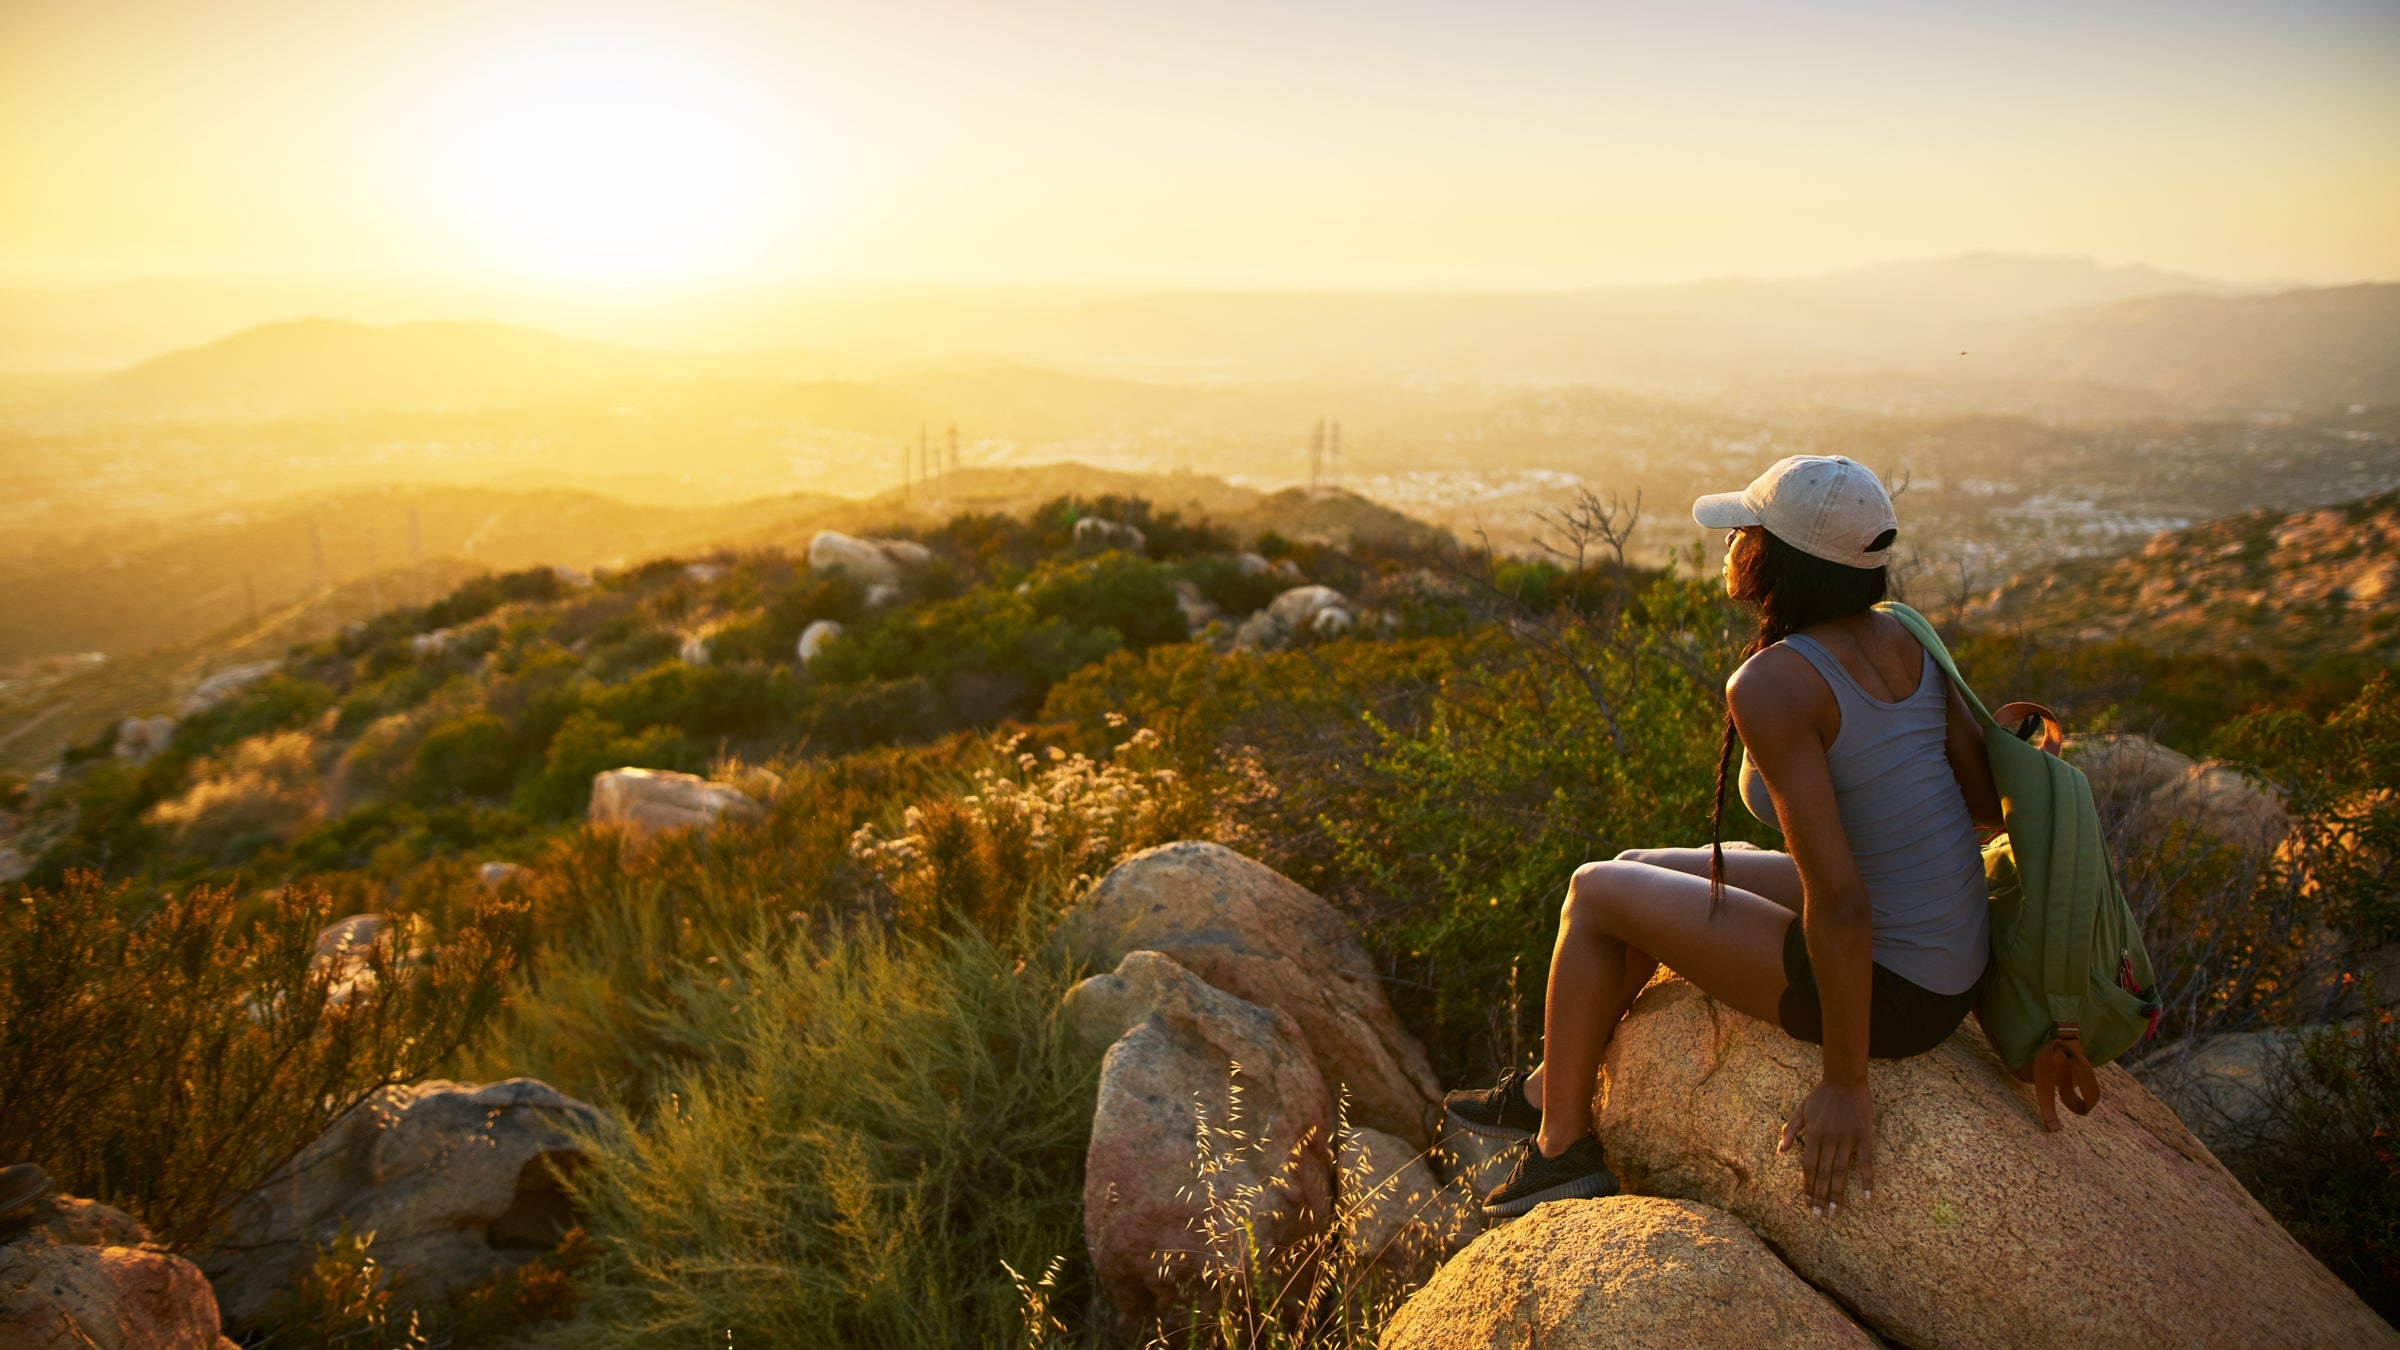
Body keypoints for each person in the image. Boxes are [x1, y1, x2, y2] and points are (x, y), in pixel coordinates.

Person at [1444, 455, 2001, 1221]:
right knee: (1635, 869)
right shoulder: (1906, 638)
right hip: (1948, 954)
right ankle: (1549, 1087)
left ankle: (1560, 1152)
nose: (1734, 542)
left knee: (1593, 889)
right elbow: (1985, 802)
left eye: (1747, 530)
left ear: (1781, 557)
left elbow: (1839, 906)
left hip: (1896, 988)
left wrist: (1847, 1084)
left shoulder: (1774, 682)